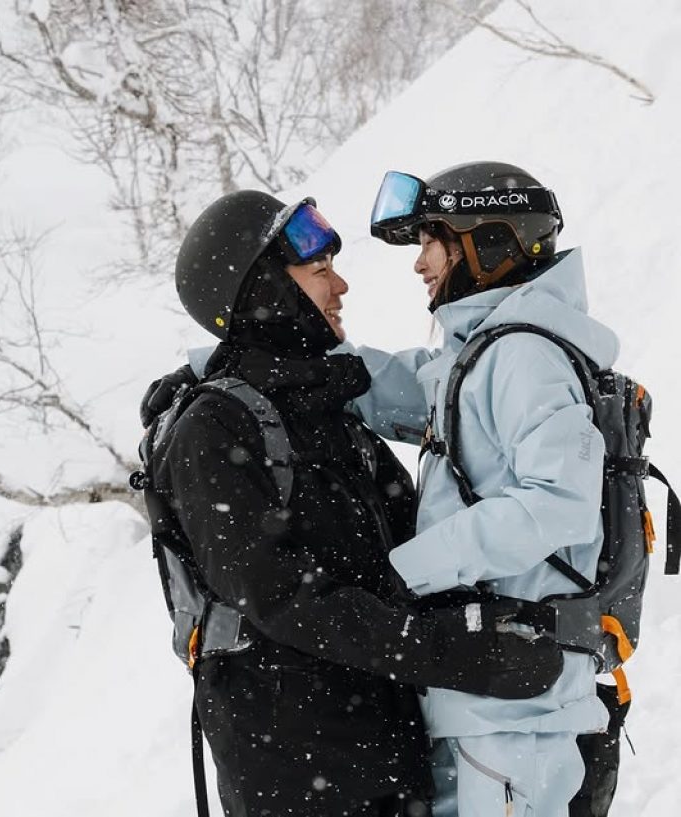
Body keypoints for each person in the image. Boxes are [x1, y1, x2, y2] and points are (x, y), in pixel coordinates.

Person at [142, 189, 564, 817]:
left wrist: (509, 635)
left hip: (386, 754)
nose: (340, 286)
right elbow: (280, 597)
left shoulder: (328, 415)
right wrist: (452, 651)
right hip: (296, 771)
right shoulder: (214, 429)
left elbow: (402, 561)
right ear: (264, 292)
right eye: (319, 271)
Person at [360, 161, 616, 816]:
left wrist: (404, 572)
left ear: (490, 243)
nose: (420, 263)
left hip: (516, 709)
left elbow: (557, 501)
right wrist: (239, 364)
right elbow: (385, 386)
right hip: (490, 691)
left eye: (432, 242)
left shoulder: (522, 356)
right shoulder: (479, 356)